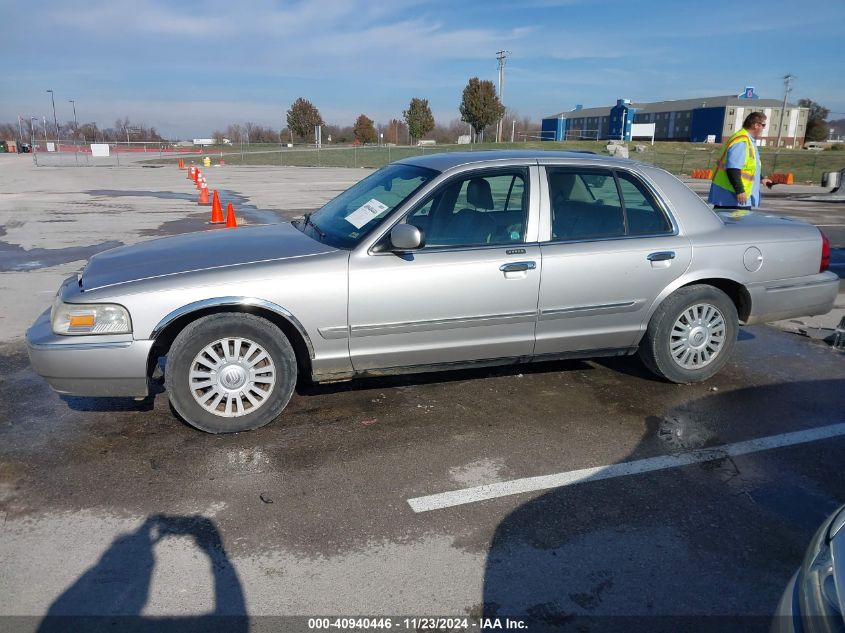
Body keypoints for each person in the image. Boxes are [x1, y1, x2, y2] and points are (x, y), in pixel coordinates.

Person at [708, 111, 773, 209]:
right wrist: (740, 190)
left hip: (736, 198)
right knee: (733, 223)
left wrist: (761, 178)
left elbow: (747, 167)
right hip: (732, 198)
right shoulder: (741, 141)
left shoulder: (748, 140)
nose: (763, 129)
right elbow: (733, 168)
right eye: (763, 125)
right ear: (756, 125)